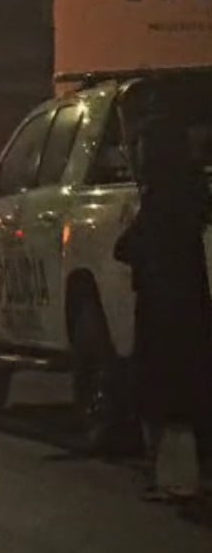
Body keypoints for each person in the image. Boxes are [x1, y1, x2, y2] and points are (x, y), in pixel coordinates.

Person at [114, 114, 212, 502]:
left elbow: (131, 246)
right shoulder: (190, 191)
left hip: (162, 307)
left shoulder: (162, 198)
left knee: (160, 390)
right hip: (190, 304)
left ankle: (169, 476)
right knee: (188, 388)